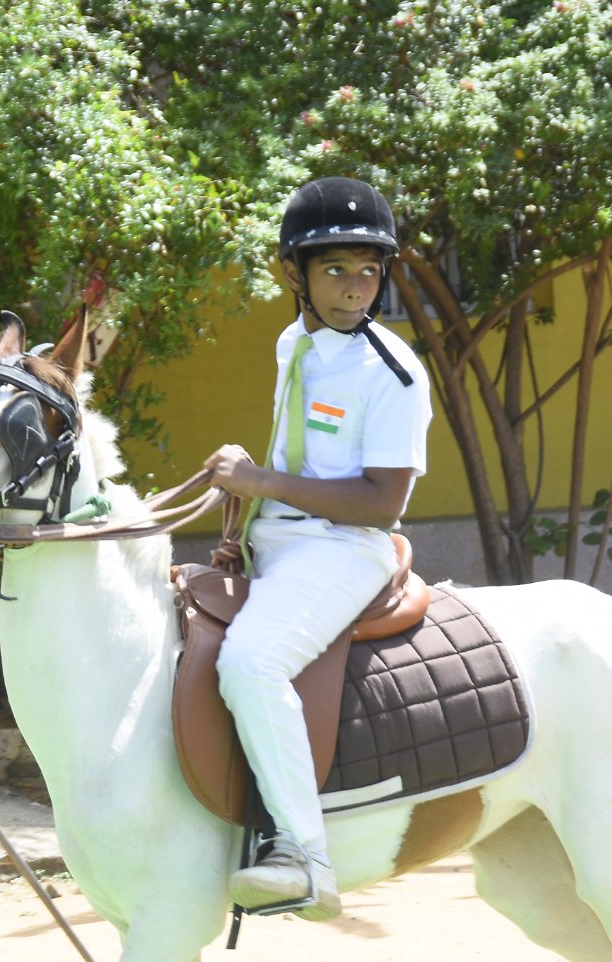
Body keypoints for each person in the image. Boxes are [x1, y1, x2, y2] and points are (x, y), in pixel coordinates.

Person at [201, 176, 432, 920]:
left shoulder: (391, 374)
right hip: (279, 538)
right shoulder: (291, 342)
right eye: (335, 269)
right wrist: (248, 503)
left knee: (250, 661)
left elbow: (380, 501)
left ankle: (304, 856)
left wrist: (264, 477)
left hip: (345, 549)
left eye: (369, 270)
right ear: (291, 273)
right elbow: (300, 458)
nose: (356, 288)